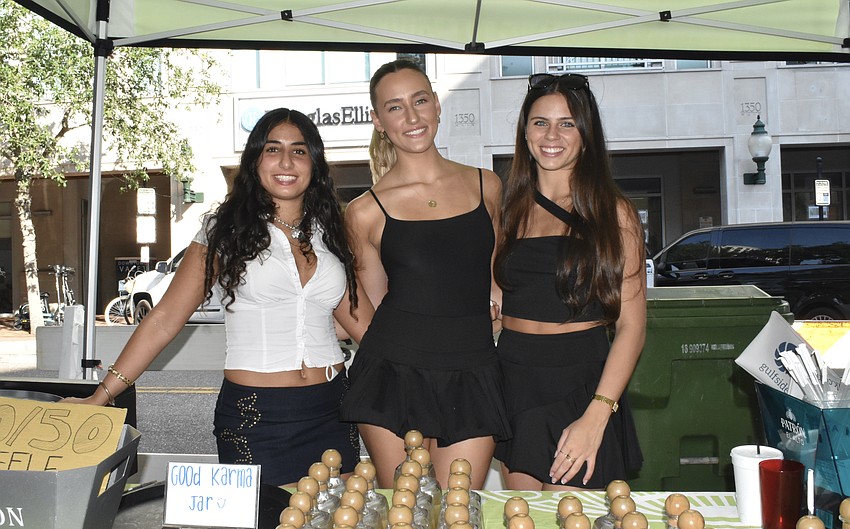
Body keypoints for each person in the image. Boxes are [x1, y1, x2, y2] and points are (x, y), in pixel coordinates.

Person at [64, 108, 373, 487]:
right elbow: (164, 319)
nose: (286, 162)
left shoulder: (331, 232)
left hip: (332, 408)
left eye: (299, 150)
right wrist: (102, 395)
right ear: (255, 159)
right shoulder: (224, 230)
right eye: (273, 149)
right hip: (255, 414)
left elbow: (366, 327)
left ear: (314, 162)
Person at [339, 59, 510, 489]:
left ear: (437, 106)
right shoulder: (362, 211)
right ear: (378, 121)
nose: (411, 117)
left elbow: (499, 280)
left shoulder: (486, 185)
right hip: (392, 374)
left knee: (459, 518)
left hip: (473, 369)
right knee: (402, 524)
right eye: (394, 107)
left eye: (419, 101)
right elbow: (371, 308)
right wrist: (405, 353)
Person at [493, 73, 646, 491]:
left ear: (586, 133)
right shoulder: (507, 211)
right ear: (525, 132)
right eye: (540, 122)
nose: (552, 135)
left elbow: (632, 326)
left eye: (567, 123)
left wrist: (598, 414)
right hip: (514, 381)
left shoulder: (614, 213)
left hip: (580, 384)